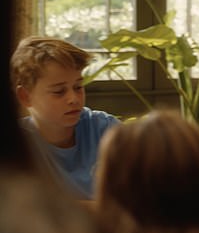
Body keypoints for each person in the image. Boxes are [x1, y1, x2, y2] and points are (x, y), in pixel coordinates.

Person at [10, 36, 120, 199]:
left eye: (78, 87)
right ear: (25, 96)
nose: (73, 99)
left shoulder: (106, 130)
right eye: (59, 92)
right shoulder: (15, 145)